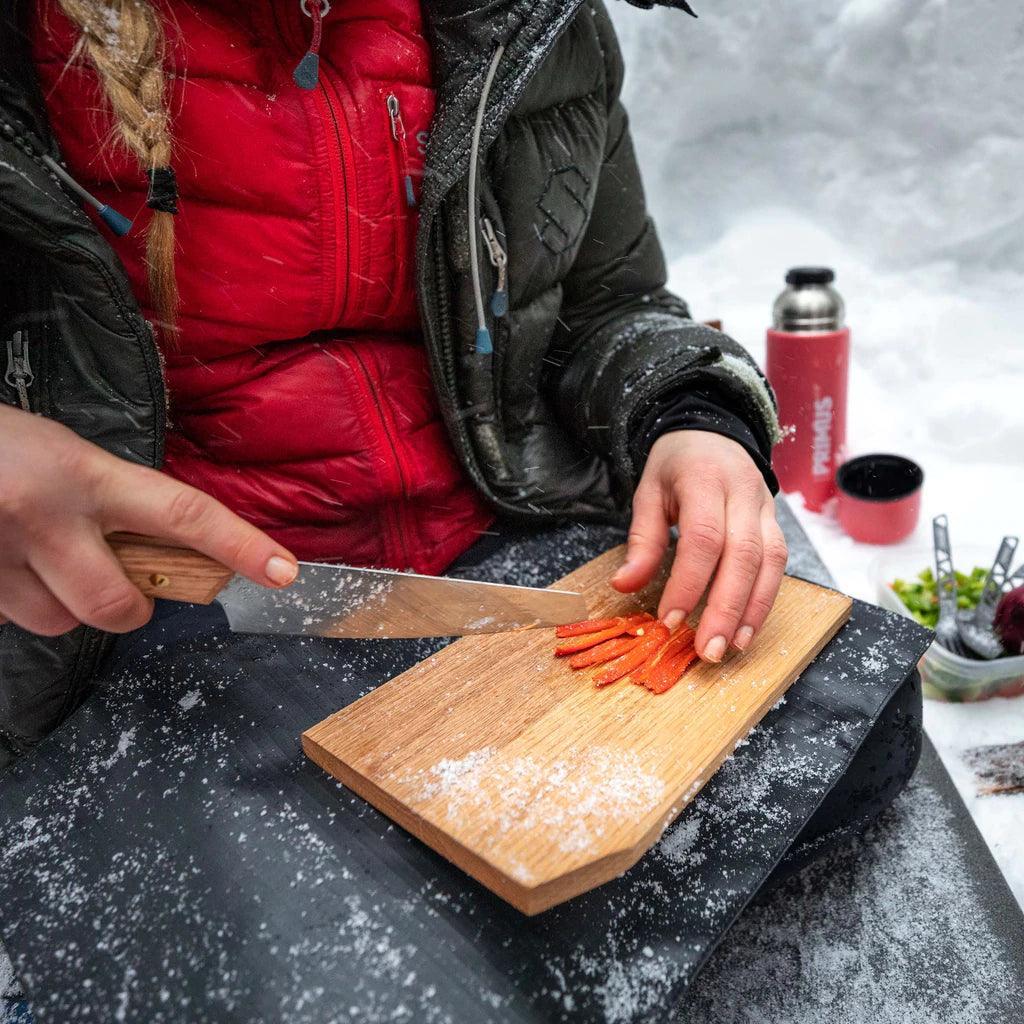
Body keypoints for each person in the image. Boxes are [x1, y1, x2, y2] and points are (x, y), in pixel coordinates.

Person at [0, 0, 917, 893]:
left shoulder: (525, 17)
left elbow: (610, 305)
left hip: (507, 533)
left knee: (853, 730)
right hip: (177, 607)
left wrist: (690, 416)